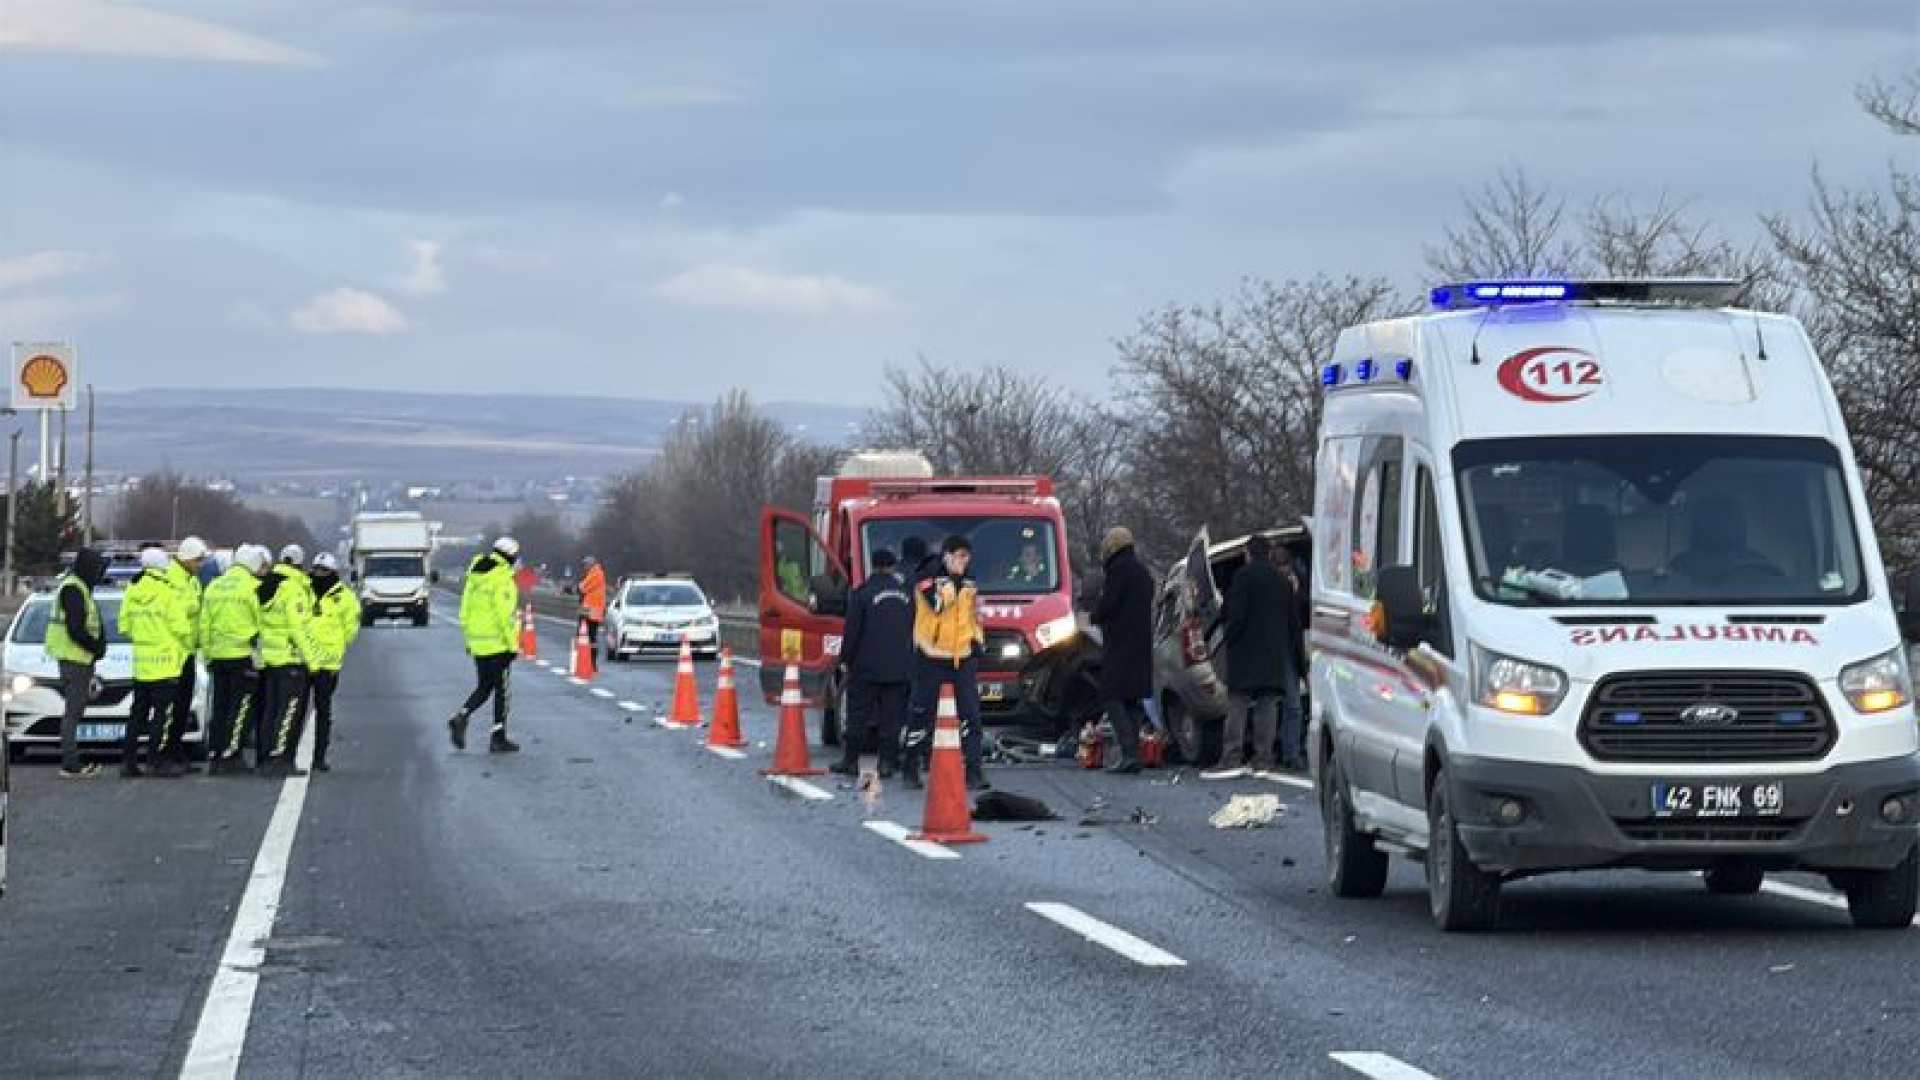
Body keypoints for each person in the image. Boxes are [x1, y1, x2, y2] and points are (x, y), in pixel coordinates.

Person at [1203, 533, 1307, 779]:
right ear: (1269, 554)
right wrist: (1298, 660)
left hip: (1246, 651)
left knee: (1238, 704)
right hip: (1273, 653)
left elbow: (1234, 613)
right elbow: (1294, 623)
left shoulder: (1243, 577)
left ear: (1248, 554)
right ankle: (1264, 758)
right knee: (1267, 705)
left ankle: (1231, 756)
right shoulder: (1282, 582)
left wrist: (1229, 636)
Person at [904, 535, 988, 790]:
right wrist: (953, 583)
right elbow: (938, 606)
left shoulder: (970, 580)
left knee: (971, 717)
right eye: (960, 556)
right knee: (921, 714)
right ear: (947, 555)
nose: (965, 562)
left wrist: (977, 640)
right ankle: (910, 766)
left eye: (967, 557)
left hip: (961, 657)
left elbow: (973, 615)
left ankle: (974, 772)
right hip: (930, 655)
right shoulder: (926, 576)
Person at [832, 548, 914, 779]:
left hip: (865, 667)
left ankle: (851, 761)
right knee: (892, 717)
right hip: (899, 667)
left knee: (858, 715)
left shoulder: (861, 594)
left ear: (873, 566)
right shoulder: (908, 595)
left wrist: (845, 659)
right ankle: (886, 762)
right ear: (892, 566)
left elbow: (852, 632)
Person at [119, 547, 192, 778]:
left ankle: (128, 762)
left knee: (137, 714)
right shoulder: (167, 590)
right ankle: (157, 761)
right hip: (167, 663)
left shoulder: (133, 588)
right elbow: (181, 626)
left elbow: (124, 626)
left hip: (142, 664)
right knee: (163, 715)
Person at [450, 536, 523, 753]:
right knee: (502, 691)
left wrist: (470, 639)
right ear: (510, 556)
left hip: (479, 643)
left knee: (484, 687)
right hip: (499, 645)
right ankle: (498, 737)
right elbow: (504, 615)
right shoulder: (503, 579)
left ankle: (462, 715)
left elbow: (464, 612)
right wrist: (512, 645)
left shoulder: (475, 576)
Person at [1090, 527, 1153, 774]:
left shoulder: (1118, 570)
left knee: (1111, 695)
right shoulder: (1142, 571)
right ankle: (1133, 752)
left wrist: (1096, 615)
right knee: (1133, 699)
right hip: (1141, 642)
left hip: (1120, 642)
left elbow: (1110, 603)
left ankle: (1129, 753)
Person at [202, 544, 269, 774]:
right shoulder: (255, 587)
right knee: (240, 709)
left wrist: (208, 655)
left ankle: (216, 754)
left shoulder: (214, 586)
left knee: (219, 708)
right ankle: (232, 756)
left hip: (218, 657)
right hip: (243, 656)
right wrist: (261, 657)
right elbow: (263, 625)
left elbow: (204, 624)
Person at [48, 548, 110, 779]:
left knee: (75, 711)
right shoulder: (73, 589)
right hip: (75, 658)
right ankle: (71, 763)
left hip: (79, 657)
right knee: (73, 713)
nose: (101, 573)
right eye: (98, 568)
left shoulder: (79, 587)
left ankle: (72, 758)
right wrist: (96, 647)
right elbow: (76, 628)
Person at [257, 544, 316, 775]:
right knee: (289, 711)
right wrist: (312, 660)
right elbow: (298, 627)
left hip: (270, 658)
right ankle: (281, 759)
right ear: (300, 564)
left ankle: (266, 756)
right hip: (291, 659)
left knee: (270, 710)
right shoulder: (293, 588)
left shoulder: (267, 586)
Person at [306, 551, 362, 772]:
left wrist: (334, 646)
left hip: (328, 664)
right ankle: (285, 755)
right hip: (303, 658)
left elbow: (351, 629)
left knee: (323, 711)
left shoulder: (345, 597)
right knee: (297, 710)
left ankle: (319, 757)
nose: (319, 574)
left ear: (333, 573)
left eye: (324, 571)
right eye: (317, 570)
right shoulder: (302, 591)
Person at [164, 536, 210, 772]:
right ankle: (169, 753)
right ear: (189, 558)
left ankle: (177, 751)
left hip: (188, 651)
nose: (201, 565)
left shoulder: (190, 579)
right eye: (199, 560)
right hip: (175, 653)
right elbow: (176, 615)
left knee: (183, 706)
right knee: (175, 706)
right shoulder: (172, 579)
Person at [577, 556, 607, 660]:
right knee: (591, 635)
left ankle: (589, 660)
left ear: (591, 564)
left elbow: (583, 588)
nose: (584, 567)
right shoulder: (594, 573)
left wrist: (580, 585)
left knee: (585, 634)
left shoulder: (595, 573)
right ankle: (589, 659)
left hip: (589, 609)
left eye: (585, 565)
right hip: (591, 609)